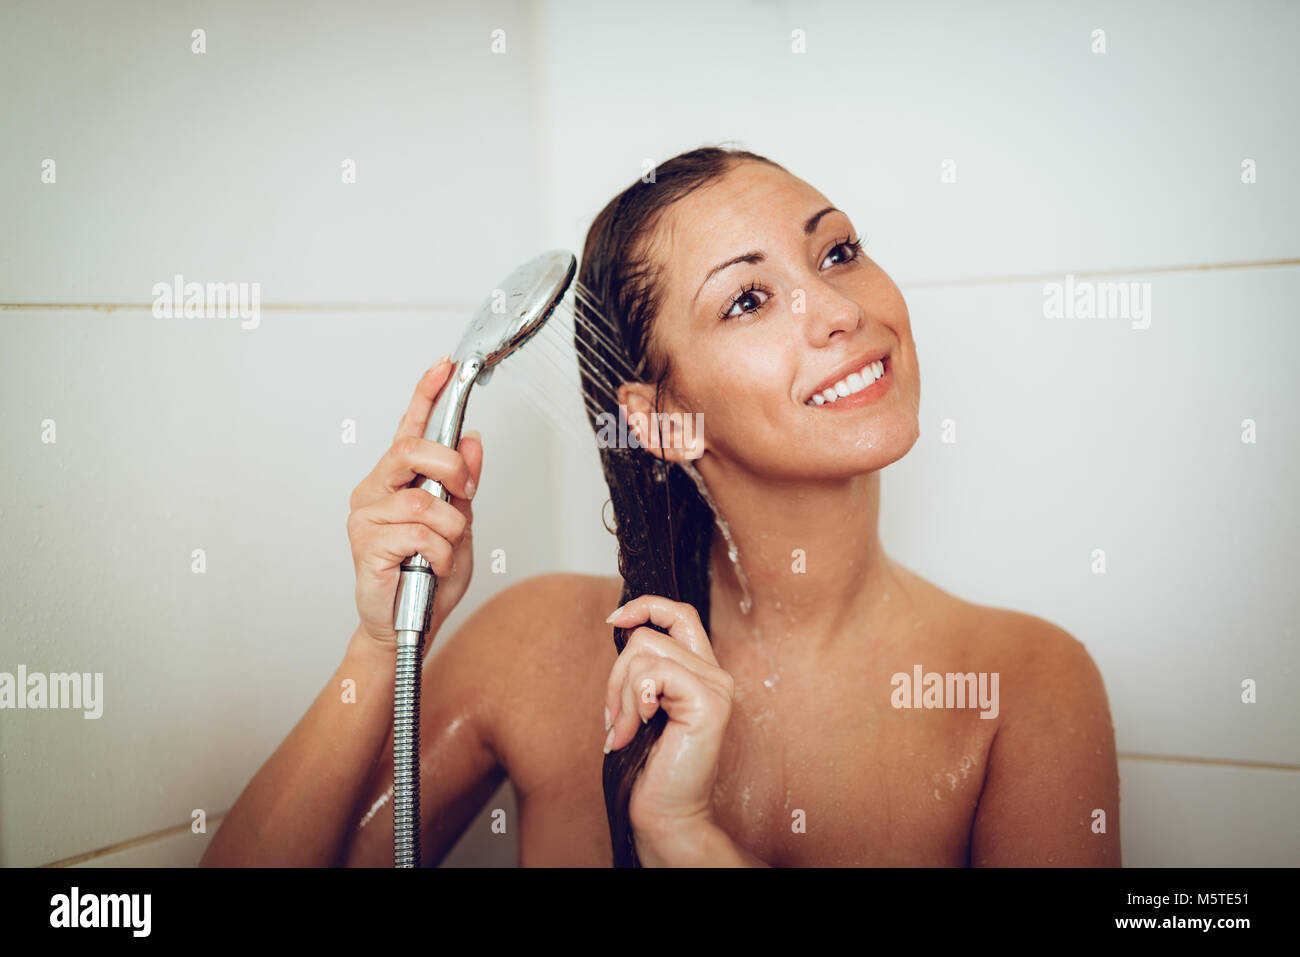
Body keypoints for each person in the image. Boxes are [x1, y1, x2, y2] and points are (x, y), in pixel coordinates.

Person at [202, 146, 1120, 867]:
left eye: (836, 250)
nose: (838, 307)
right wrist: (379, 644)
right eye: (750, 298)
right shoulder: (530, 650)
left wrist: (689, 839)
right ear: (661, 417)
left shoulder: (1024, 686)